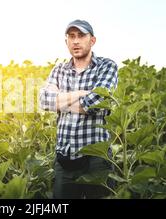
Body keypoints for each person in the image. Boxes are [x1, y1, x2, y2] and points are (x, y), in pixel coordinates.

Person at [39, 19, 118, 199]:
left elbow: (96, 102)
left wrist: (61, 100)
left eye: (81, 36)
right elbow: (45, 101)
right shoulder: (59, 70)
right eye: (71, 36)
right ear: (66, 41)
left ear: (92, 40)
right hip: (64, 157)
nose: (76, 41)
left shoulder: (106, 66)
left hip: (97, 159)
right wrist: (81, 93)